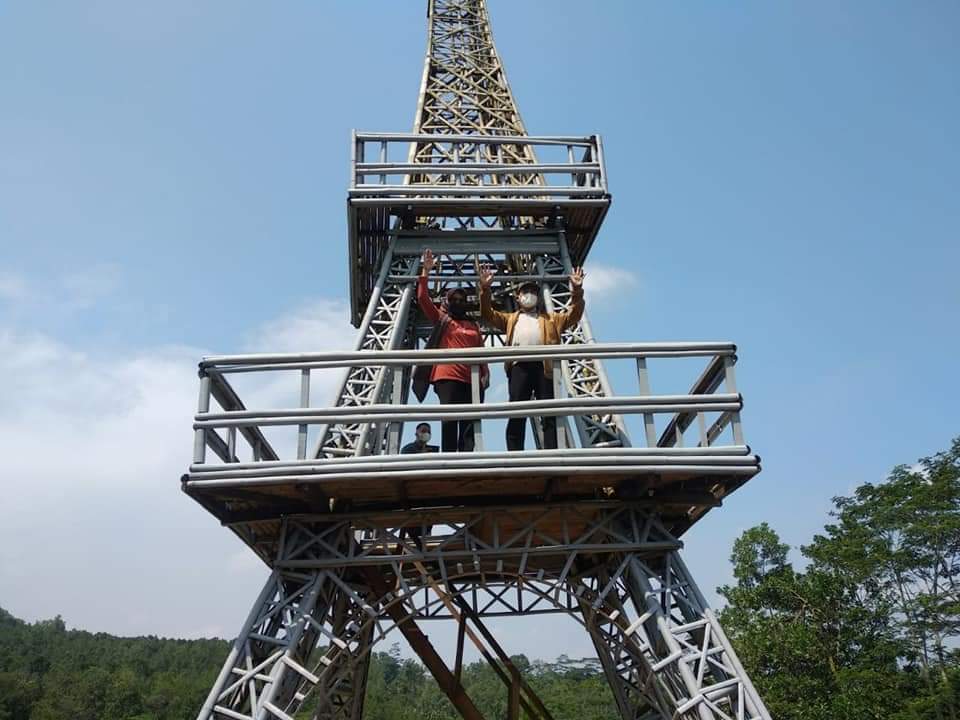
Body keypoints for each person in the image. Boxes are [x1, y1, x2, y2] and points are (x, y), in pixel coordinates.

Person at [478, 264, 585, 450]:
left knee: (549, 414)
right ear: (518, 298)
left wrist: (576, 290)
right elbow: (488, 314)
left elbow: (574, 315)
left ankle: (552, 453)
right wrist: (485, 289)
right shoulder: (510, 319)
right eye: (525, 291)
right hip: (519, 367)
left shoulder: (552, 319)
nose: (529, 294)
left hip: (545, 368)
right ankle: (514, 453)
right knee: (517, 412)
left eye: (533, 291)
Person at [413, 249, 488, 452]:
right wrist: (425, 271)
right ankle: (448, 459)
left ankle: (467, 459)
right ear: (447, 302)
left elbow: (482, 351)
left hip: (470, 379)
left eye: (462, 299)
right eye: (454, 299)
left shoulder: (473, 325)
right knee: (449, 420)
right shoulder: (443, 319)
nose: (458, 303)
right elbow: (422, 299)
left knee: (469, 423)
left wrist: (485, 373)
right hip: (447, 377)